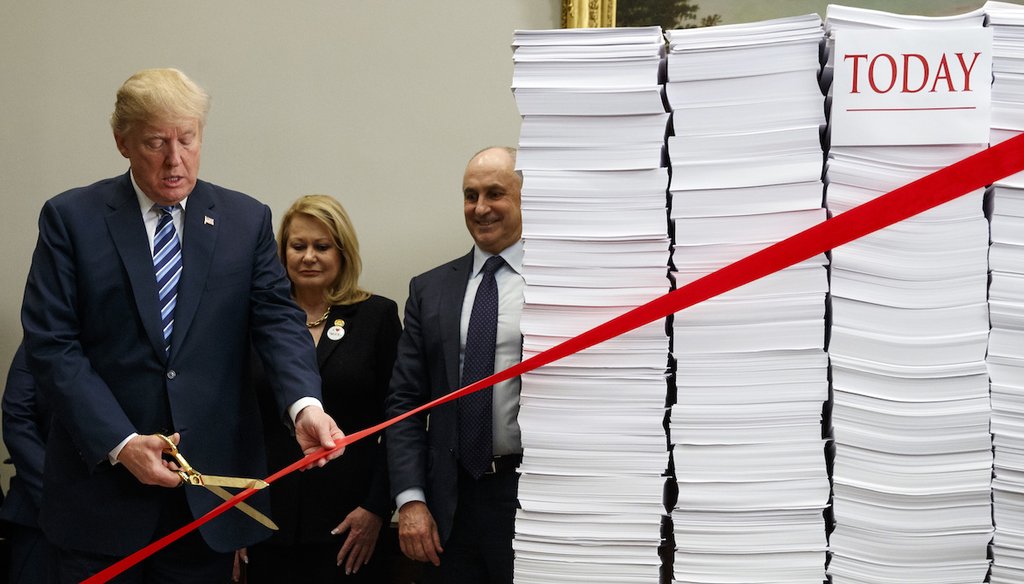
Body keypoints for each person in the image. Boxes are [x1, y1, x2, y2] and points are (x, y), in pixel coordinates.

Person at [19, 68, 344, 583]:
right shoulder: (70, 219)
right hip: (100, 506)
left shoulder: (245, 219)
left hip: (206, 505)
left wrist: (304, 403)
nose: (175, 160)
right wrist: (122, 443)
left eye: (187, 139)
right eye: (155, 143)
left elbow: (278, 321)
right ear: (122, 141)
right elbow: (52, 345)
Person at [385, 146, 525, 584]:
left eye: (495, 194)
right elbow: (404, 402)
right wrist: (410, 499)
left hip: (530, 497)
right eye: (470, 195)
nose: (480, 208)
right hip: (448, 503)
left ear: (525, 197)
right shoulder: (430, 289)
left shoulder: (560, 283)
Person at [247, 195, 401, 582]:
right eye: (298, 246)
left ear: (343, 252)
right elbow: (235, 421)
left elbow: (399, 423)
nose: (308, 257)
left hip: (352, 524)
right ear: (282, 253)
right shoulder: (256, 321)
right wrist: (234, 518)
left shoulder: (377, 316)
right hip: (266, 522)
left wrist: (376, 507)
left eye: (322, 246)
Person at [0, 343, 57, 583]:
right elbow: (18, 418)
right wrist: (60, 498)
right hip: (38, 513)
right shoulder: (46, 332)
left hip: (128, 521)